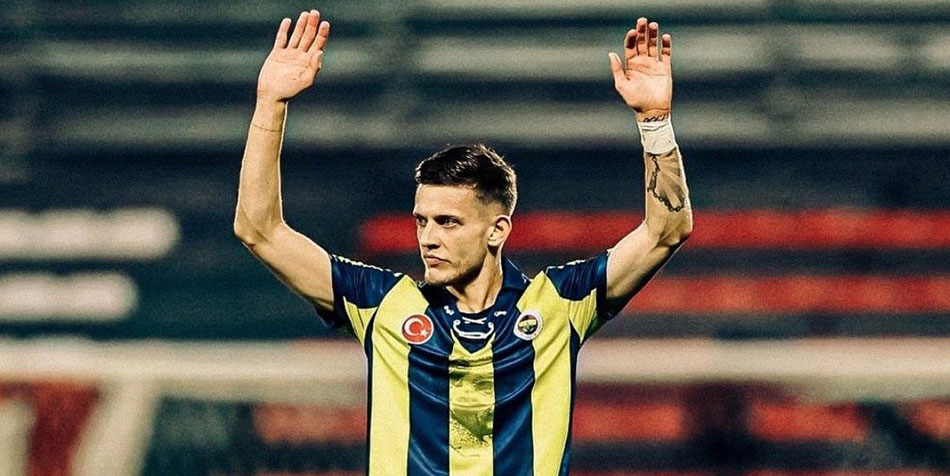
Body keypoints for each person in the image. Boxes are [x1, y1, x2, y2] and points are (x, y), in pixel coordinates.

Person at [234, 9, 692, 476]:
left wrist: (655, 123)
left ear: (497, 230)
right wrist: (270, 103)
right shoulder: (384, 304)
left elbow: (666, 232)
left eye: (448, 222)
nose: (428, 239)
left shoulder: (557, 305)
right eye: (422, 221)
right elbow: (260, 230)